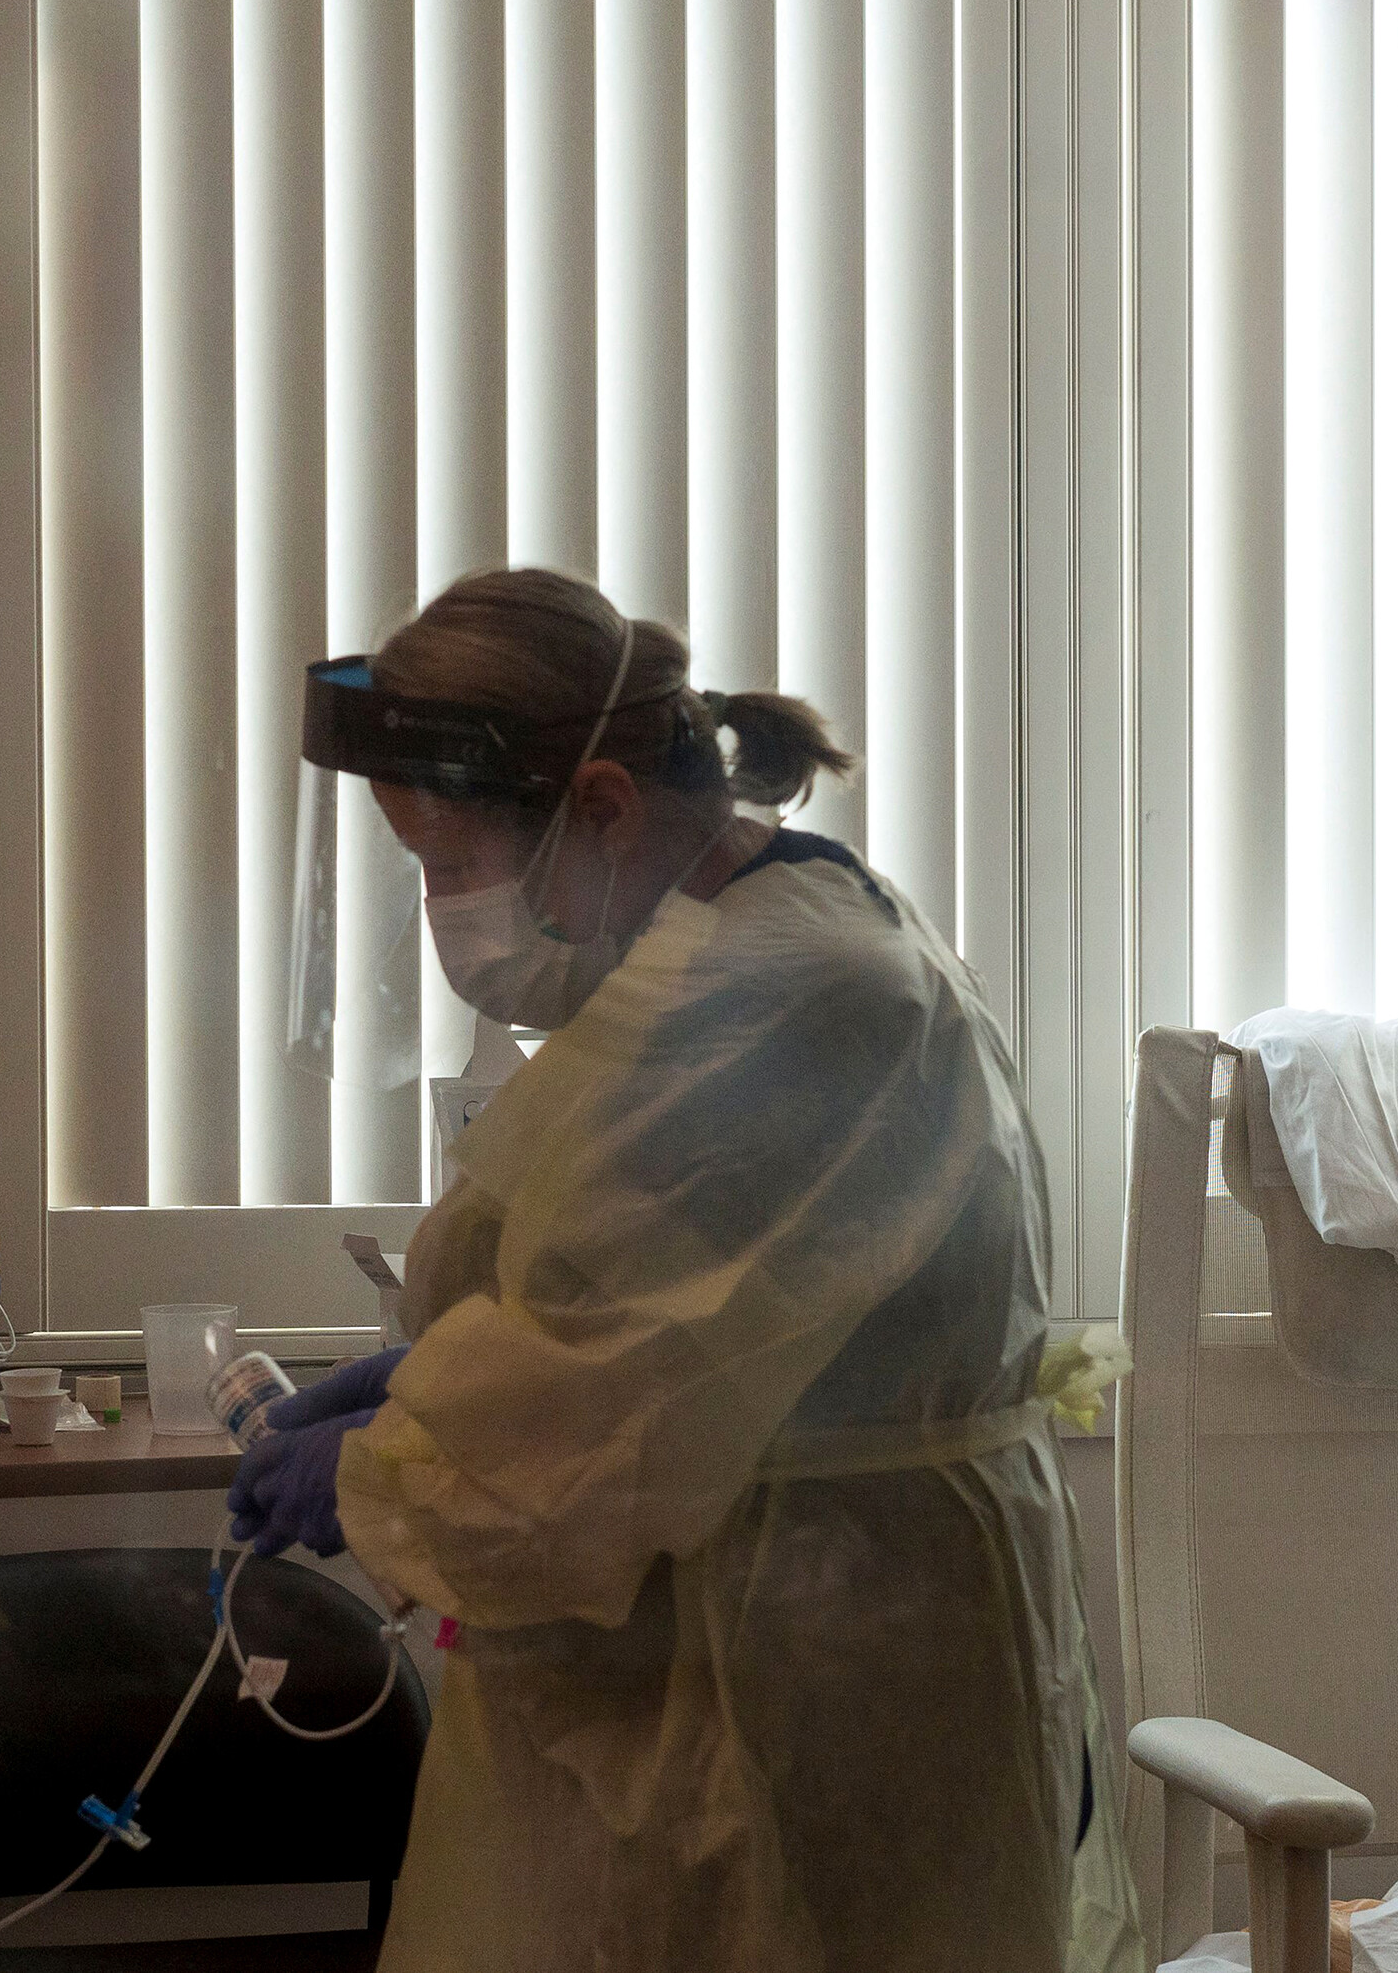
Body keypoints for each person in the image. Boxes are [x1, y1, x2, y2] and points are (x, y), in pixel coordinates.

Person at [231, 568, 1139, 1971]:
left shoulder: (784, 993)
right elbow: (668, 1332)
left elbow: (604, 1396)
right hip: (746, 1648)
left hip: (821, 1688)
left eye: (452, 863)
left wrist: (390, 1461)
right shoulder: (726, 942)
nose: (441, 907)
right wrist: (436, 1387)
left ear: (600, 806)